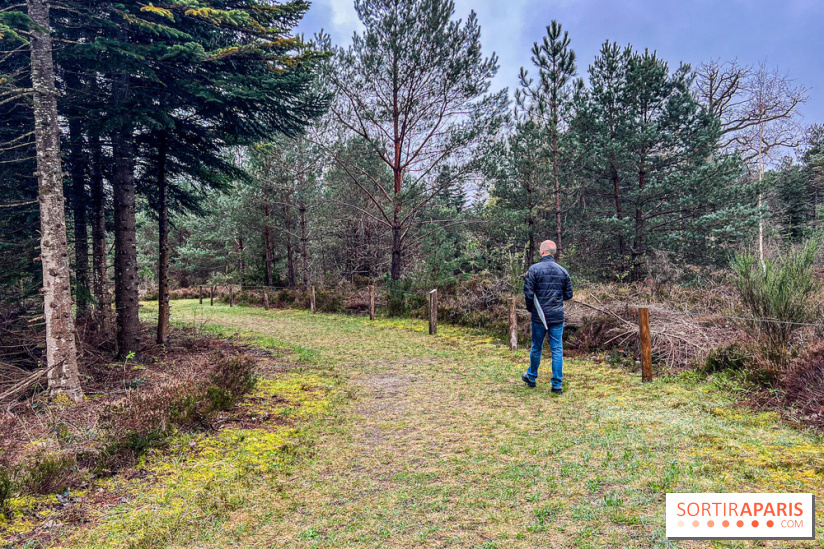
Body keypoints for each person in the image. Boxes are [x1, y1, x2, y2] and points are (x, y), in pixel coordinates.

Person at [522, 240, 573, 393]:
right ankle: (557, 385)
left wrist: (531, 309)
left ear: (543, 252)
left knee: (536, 347)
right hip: (557, 316)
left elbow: (528, 294)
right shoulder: (563, 271)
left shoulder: (534, 270)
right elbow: (569, 294)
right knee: (557, 349)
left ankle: (531, 376)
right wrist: (556, 300)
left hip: (539, 316)